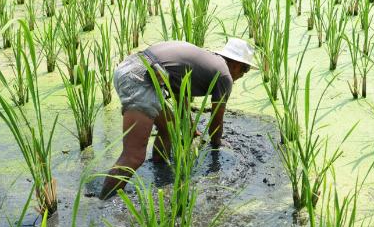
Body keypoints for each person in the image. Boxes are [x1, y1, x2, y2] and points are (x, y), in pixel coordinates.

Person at [99, 38, 257, 199]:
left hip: (133, 67)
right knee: (134, 156)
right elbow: (216, 120)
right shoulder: (224, 76)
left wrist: (189, 126)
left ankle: (160, 169)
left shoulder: (206, 61)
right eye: (245, 69)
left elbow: (180, 92)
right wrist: (217, 143)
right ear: (236, 64)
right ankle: (103, 201)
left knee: (170, 126)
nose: (242, 75)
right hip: (140, 78)